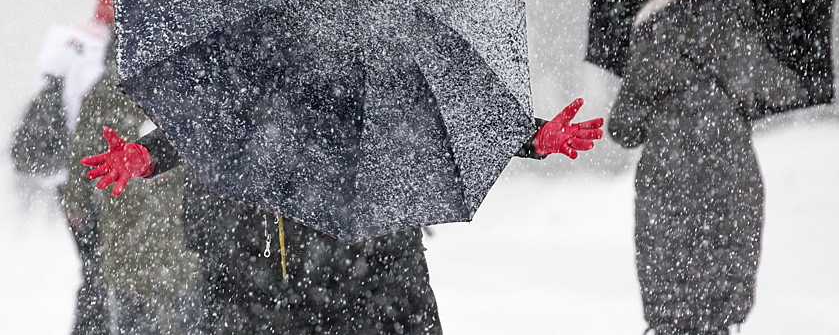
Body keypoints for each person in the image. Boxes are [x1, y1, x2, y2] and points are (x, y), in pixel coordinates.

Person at [81, 98, 602, 334]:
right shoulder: (264, 76)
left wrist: (531, 136)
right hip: (290, 285)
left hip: (379, 277)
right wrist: (148, 156)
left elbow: (455, 114)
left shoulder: (389, 72)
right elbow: (212, 122)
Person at [607, 0, 808, 335]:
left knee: (673, 306)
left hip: (669, 184)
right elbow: (787, 90)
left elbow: (622, 129)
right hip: (732, 177)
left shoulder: (651, 40)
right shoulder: (740, 29)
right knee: (720, 301)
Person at [63, 35, 202, 335]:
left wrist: (77, 202)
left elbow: (81, 154)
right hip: (157, 222)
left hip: (138, 222)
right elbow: (83, 154)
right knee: (163, 304)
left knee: (141, 305)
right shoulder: (183, 82)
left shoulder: (106, 90)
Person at [10, 0, 113, 335]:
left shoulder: (68, 42)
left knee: (96, 268)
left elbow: (41, 102)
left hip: (74, 173)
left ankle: (90, 327)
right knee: (105, 270)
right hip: (101, 172)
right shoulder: (111, 49)